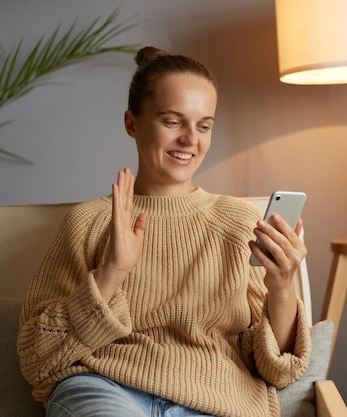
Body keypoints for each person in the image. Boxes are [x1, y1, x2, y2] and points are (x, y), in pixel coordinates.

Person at [17, 46, 311, 417]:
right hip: (105, 388)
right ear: (132, 123)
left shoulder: (239, 223)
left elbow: (277, 370)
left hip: (216, 398)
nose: (191, 139)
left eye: (204, 125)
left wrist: (282, 285)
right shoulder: (88, 222)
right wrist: (112, 273)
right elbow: (36, 359)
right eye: (173, 122)